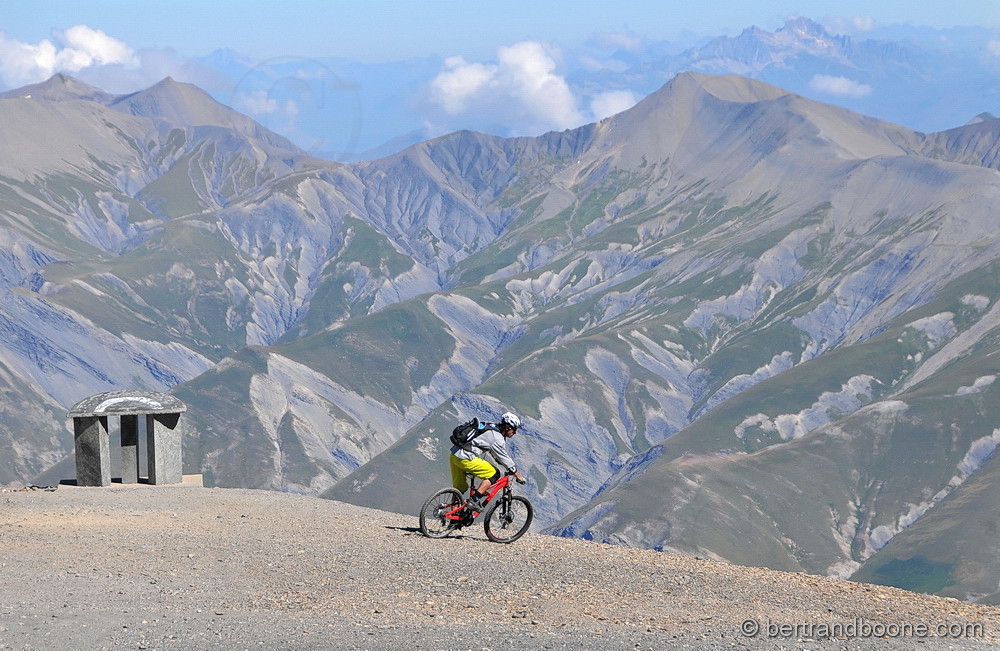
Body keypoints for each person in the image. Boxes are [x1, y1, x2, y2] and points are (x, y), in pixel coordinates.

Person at [450, 412, 525, 511]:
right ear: (508, 427)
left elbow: (495, 455)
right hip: (466, 459)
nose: (514, 433)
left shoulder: (490, 426)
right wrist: (517, 475)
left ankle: (453, 516)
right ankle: (473, 501)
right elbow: (504, 458)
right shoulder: (497, 438)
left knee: (459, 489)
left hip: (454, 456)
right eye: (514, 429)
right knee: (494, 474)